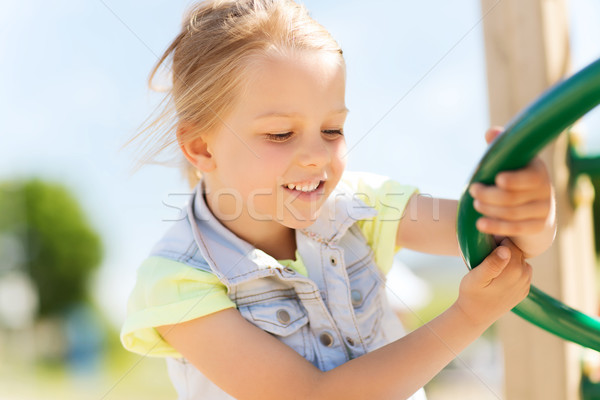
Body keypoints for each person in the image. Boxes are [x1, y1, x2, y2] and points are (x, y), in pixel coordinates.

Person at [120, 1, 557, 399]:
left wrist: (527, 207)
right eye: (280, 134)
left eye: (332, 130)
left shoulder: (359, 205)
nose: (315, 157)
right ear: (202, 147)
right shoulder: (177, 283)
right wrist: (468, 317)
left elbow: (500, 235)